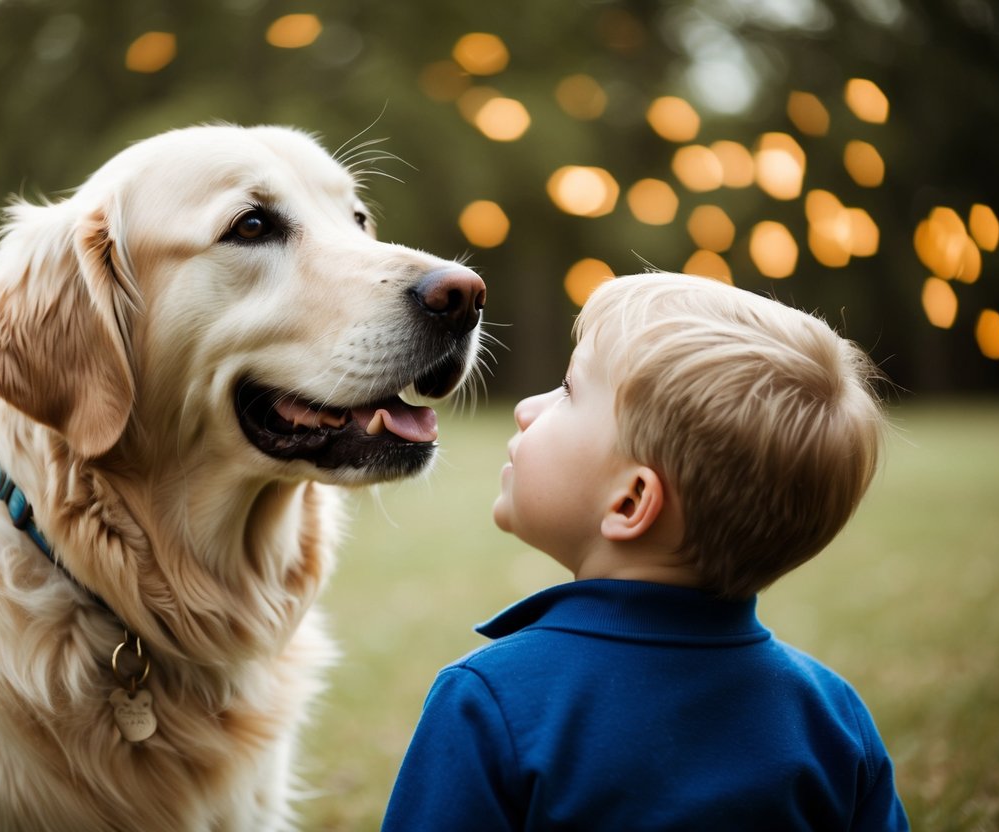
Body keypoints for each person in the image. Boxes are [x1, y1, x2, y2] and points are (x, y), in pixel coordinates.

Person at [381, 272, 908, 830]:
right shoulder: (831, 719)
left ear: (631, 501)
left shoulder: (490, 704)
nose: (527, 409)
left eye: (567, 391)